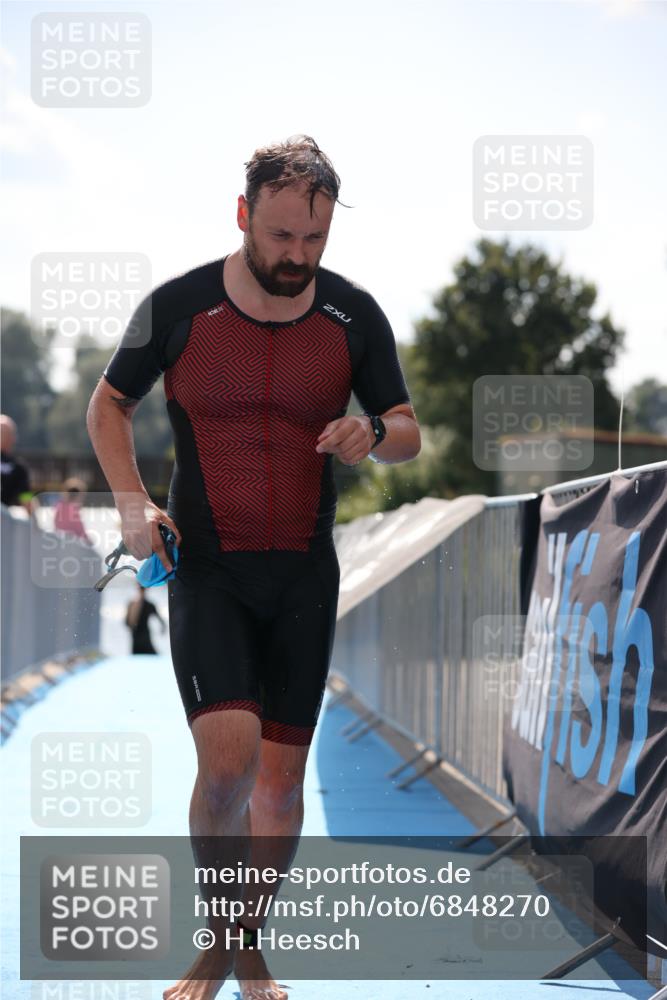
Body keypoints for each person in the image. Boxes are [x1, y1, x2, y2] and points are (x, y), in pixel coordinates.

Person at [86, 134, 421, 1000]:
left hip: (304, 571)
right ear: (244, 216)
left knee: (278, 786)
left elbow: (406, 429)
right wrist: (133, 505)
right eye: (279, 237)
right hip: (209, 566)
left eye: (313, 240)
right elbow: (107, 406)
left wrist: (374, 434)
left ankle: (248, 945)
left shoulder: (354, 316)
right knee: (227, 765)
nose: (296, 257)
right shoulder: (178, 306)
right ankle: (219, 943)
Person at [0, 414, 35, 513]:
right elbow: (26, 500)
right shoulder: (18, 468)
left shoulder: (19, 468)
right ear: (12, 438)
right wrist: (36, 525)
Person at [125, 581, 166, 654]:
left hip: (143, 636)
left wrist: (162, 627)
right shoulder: (133, 604)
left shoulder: (148, 605)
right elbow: (127, 622)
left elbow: (127, 622)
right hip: (138, 637)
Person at [53, 477, 94, 544]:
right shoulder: (73, 510)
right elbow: (78, 527)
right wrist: (87, 539)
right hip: (72, 542)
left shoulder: (60, 506)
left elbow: (56, 524)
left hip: (61, 539)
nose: (82, 500)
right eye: (82, 497)